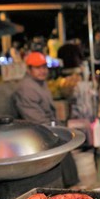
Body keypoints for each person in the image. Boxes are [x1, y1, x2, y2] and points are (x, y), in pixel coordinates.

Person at [13, 51, 79, 187]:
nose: (42, 71)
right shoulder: (26, 88)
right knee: (62, 142)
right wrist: (57, 131)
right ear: (29, 69)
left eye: (44, 67)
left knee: (67, 140)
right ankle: (67, 186)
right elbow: (35, 119)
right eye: (37, 68)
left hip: (47, 125)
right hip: (35, 130)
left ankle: (70, 185)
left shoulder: (40, 83)